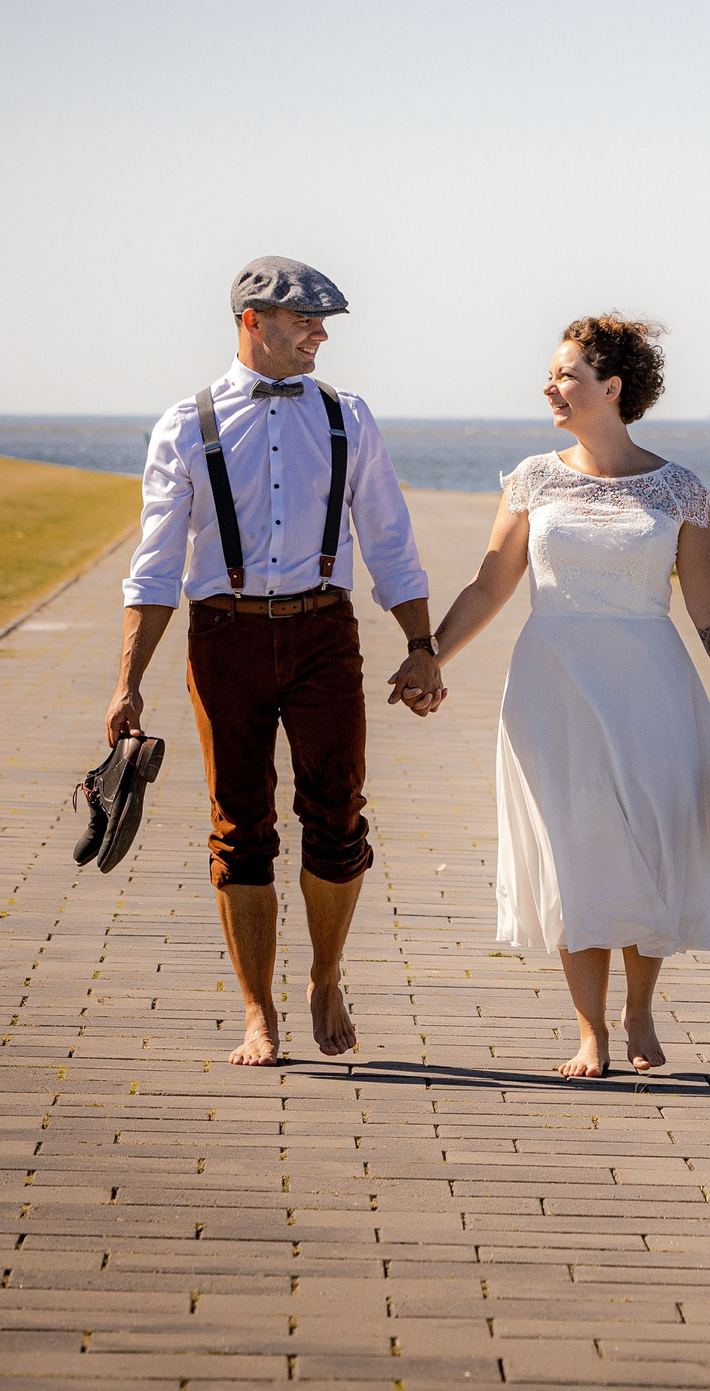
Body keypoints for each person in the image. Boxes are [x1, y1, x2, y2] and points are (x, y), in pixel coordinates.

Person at [107, 257, 446, 1066]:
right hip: (223, 638)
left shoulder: (348, 417)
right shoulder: (186, 424)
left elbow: (389, 539)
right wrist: (127, 682)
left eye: (324, 321)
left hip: (325, 632)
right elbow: (153, 568)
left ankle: (325, 974)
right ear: (252, 320)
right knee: (240, 825)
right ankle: (257, 1010)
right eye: (305, 319)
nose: (320, 334)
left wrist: (421, 644)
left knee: (337, 814)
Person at [424, 314, 710, 1078]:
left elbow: (708, 601)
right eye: (553, 374)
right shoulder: (532, 479)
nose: (550, 385)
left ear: (610, 388)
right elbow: (490, 582)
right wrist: (430, 656)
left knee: (652, 843)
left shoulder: (680, 489)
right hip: (553, 686)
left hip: (652, 686)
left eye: (566, 374)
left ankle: (639, 1011)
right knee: (574, 850)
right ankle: (590, 1032)